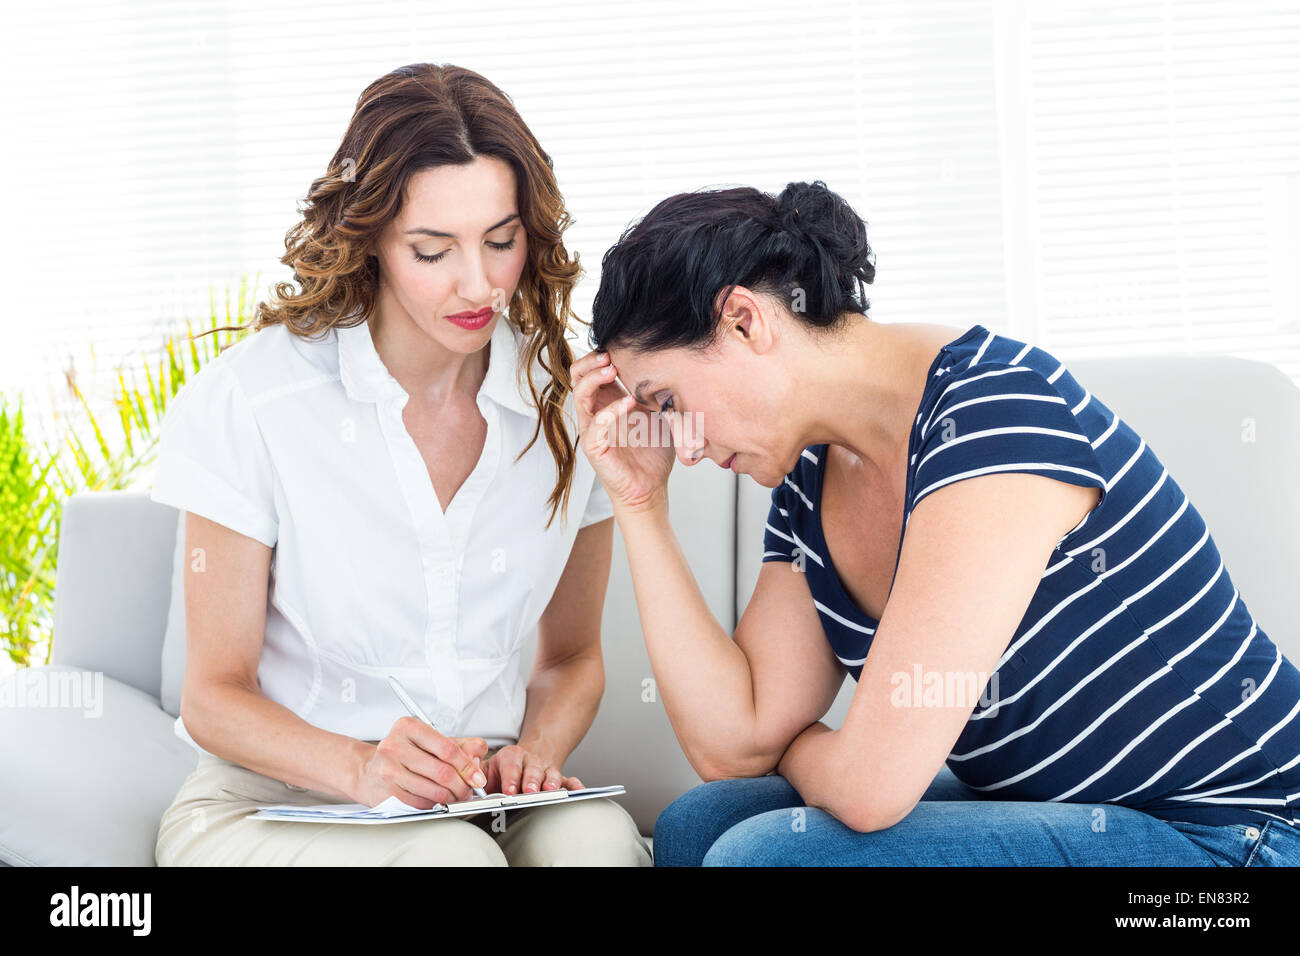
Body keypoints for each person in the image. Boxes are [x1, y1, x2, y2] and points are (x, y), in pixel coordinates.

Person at [569, 179, 1300, 866]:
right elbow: (737, 741)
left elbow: (867, 788)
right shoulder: (808, 477)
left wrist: (806, 747)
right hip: (1081, 808)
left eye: (667, 403)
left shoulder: (993, 416)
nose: (683, 446)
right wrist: (639, 506)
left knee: (764, 858)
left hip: (1240, 836)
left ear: (743, 319)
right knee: (699, 825)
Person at [149, 63, 650, 866]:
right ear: (371, 239)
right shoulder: (257, 399)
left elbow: (572, 660)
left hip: (477, 797)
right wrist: (360, 764)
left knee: (595, 844)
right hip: (277, 801)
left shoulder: (563, 407)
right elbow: (213, 698)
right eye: (432, 250)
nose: (478, 285)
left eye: (501, 240)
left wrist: (534, 750)